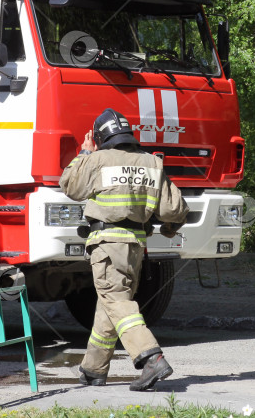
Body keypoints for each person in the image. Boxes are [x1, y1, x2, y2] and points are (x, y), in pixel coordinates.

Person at [60, 108, 189, 392]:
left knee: (116, 301)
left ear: (99, 137)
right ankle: (93, 369)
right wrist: (168, 230)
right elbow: (176, 209)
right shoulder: (151, 163)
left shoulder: (97, 159)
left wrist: (83, 153)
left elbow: (68, 185)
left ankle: (151, 358)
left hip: (107, 245)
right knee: (111, 304)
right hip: (136, 247)